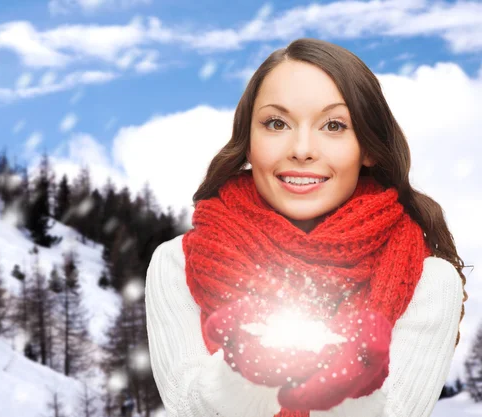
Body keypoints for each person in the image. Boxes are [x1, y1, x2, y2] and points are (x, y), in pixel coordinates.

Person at [144, 38, 468, 417]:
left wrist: (343, 378)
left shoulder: (429, 282)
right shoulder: (177, 264)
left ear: (369, 148)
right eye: (276, 123)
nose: (301, 148)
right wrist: (247, 370)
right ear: (248, 142)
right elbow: (187, 407)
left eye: (334, 125)